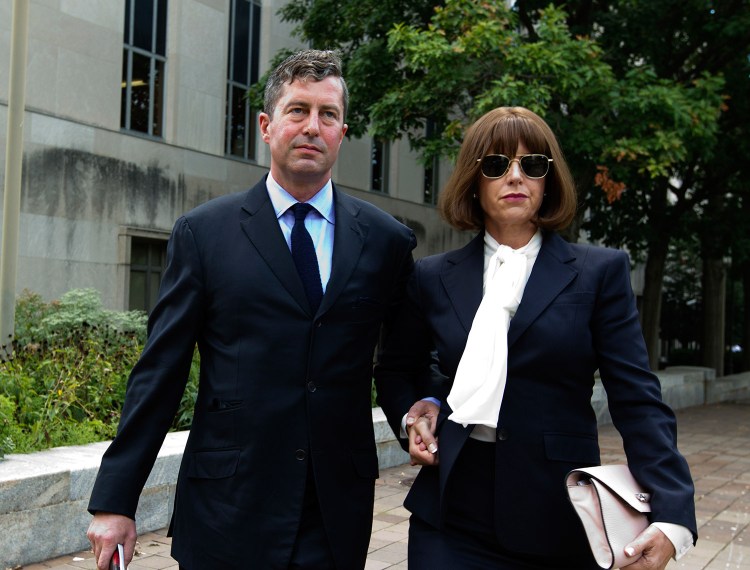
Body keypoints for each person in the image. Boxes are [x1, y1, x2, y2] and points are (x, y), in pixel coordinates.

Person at [86, 49, 416, 570]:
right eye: (297, 110)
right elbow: (160, 372)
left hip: (334, 513)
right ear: (267, 125)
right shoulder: (204, 233)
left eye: (327, 114)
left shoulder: (386, 241)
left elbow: (403, 362)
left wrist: (418, 411)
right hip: (228, 509)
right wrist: (115, 500)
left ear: (342, 132)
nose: (312, 126)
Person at [374, 107, 696, 569]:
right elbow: (396, 368)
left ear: (548, 180)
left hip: (558, 514)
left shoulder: (598, 273)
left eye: (532, 165)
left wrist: (672, 514)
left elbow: (637, 398)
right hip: (451, 512)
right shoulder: (431, 276)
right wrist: (414, 414)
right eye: (496, 164)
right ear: (473, 179)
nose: (515, 176)